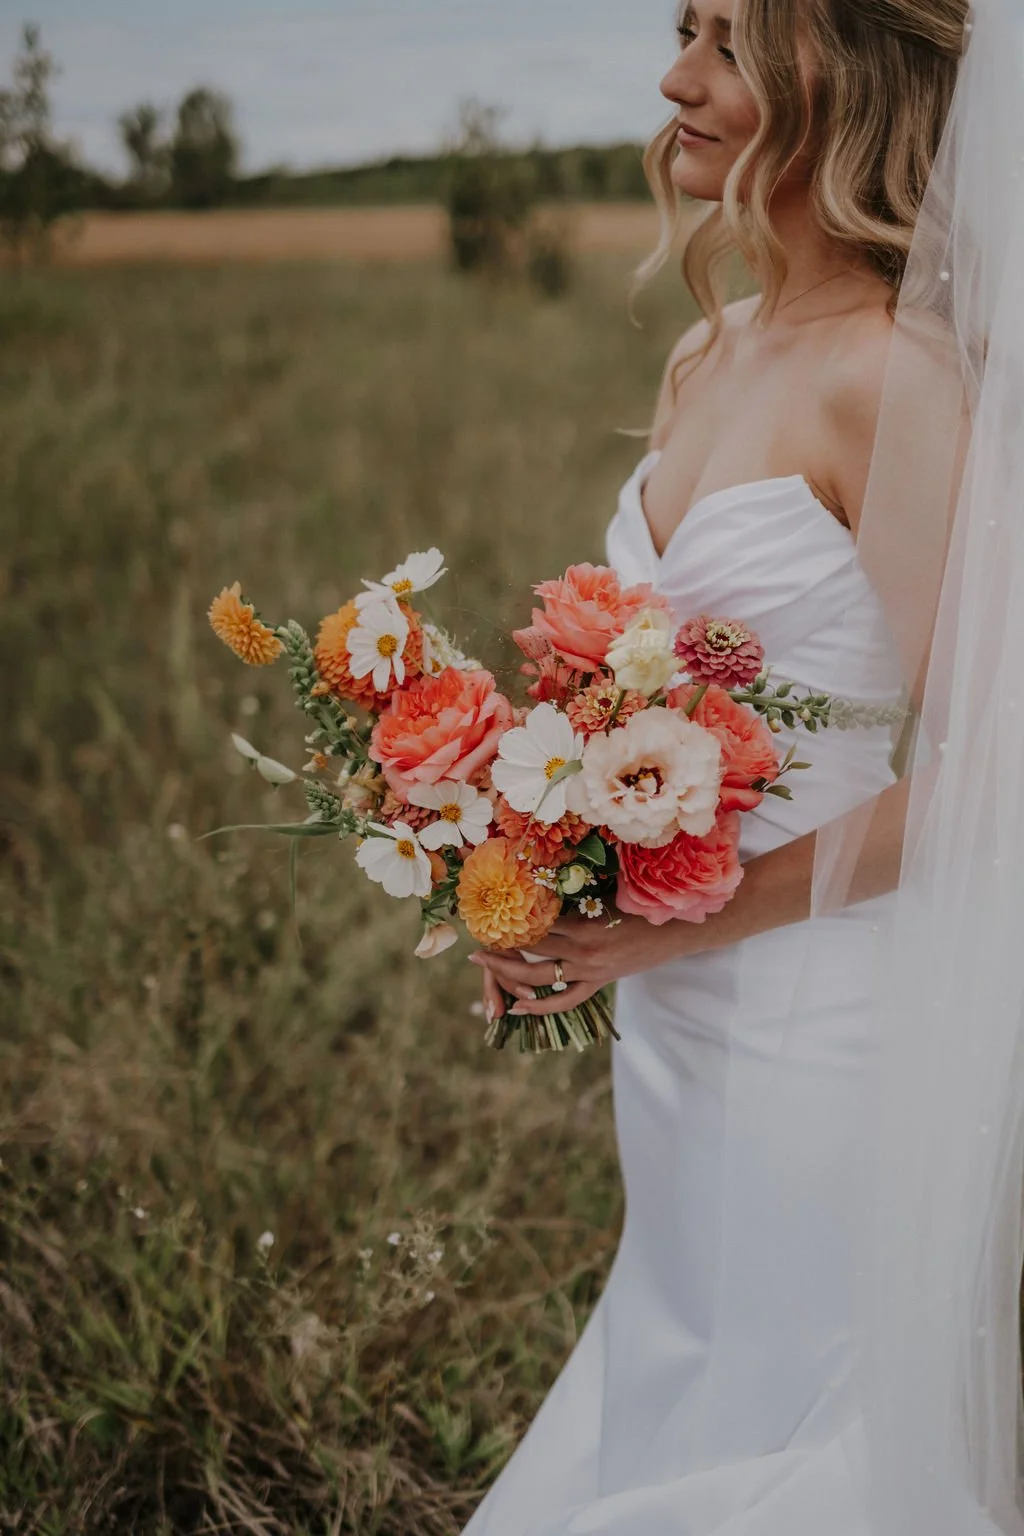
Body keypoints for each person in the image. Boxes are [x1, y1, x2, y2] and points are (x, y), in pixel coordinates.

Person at [464, 0, 1024, 1532]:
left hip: (823, 1026)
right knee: (685, 1362)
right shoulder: (707, 352)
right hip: (680, 1023)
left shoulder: (897, 382)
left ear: (834, 72)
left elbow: (998, 779)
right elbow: (620, 698)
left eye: (724, 41)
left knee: (795, 1417)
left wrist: (694, 917)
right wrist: (536, 870)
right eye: (685, 29)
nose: (675, 81)